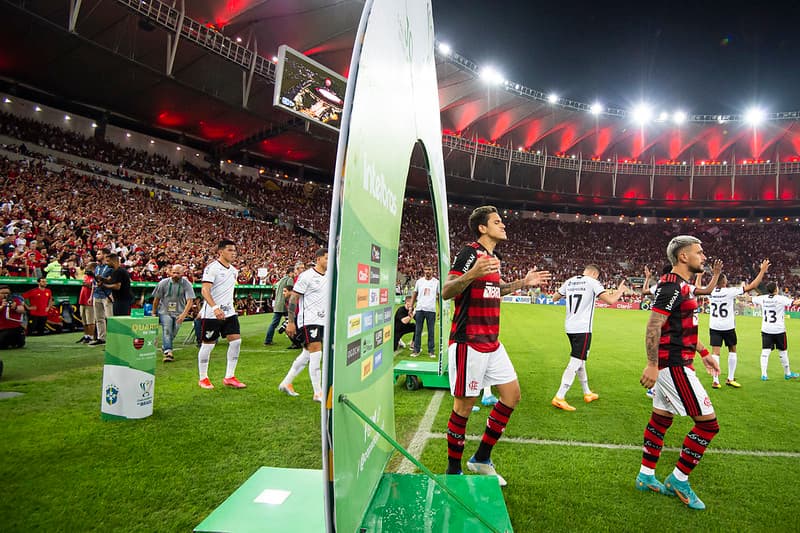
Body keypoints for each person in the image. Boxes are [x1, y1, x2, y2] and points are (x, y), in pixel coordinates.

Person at [442, 206, 551, 486]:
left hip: (492, 342)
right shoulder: (469, 253)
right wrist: (471, 274)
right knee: (463, 408)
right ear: (482, 228)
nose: (503, 225)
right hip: (469, 341)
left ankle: (481, 458)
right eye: (497, 222)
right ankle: (453, 471)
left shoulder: (493, 258)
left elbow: (497, 289)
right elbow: (447, 291)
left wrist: (523, 282)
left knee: (512, 395)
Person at [636, 235, 721, 511]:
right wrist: (652, 364)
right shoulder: (671, 286)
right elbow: (654, 324)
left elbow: (682, 327)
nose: (704, 256)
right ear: (683, 256)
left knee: (661, 420)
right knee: (708, 425)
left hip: (676, 361)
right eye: (699, 252)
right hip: (673, 365)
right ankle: (678, 480)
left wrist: (704, 353)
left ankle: (646, 476)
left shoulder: (683, 286)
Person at [550, 265, 627, 411]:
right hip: (583, 328)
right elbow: (610, 301)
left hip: (570, 327)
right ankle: (559, 396)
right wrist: (620, 291)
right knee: (576, 361)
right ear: (594, 274)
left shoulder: (570, 281)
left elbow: (554, 297)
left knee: (581, 360)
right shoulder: (592, 282)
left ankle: (587, 392)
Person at [706, 259, 770, 388]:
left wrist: (701, 276)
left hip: (714, 326)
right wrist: (762, 271)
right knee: (732, 350)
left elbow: (698, 286)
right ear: (724, 282)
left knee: (715, 353)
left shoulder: (709, 292)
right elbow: (753, 285)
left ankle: (715, 380)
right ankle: (730, 378)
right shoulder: (730, 291)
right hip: (728, 327)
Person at [278, 248, 329, 402]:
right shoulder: (306, 276)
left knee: (307, 354)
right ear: (318, 259)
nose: (329, 261)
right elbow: (294, 298)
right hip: (309, 320)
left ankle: (286, 383)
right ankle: (318, 393)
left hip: (323, 320)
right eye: (326, 258)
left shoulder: (330, 275)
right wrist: (291, 322)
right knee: (316, 354)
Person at [197, 239, 246, 389]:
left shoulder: (234, 270)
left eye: (235, 250)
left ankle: (230, 376)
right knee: (208, 345)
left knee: (236, 341)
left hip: (229, 312)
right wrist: (215, 308)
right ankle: (203, 378)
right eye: (230, 250)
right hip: (212, 314)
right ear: (220, 252)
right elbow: (205, 290)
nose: (233, 253)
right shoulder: (212, 268)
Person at [751, 281, 800, 381]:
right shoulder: (781, 299)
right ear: (775, 289)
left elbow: (750, 299)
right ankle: (787, 373)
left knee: (765, 352)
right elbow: (795, 303)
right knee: (783, 352)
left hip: (766, 329)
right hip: (779, 330)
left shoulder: (763, 298)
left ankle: (764, 375)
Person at [151, 264, 195, 362]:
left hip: (179, 312)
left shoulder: (186, 284)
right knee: (167, 330)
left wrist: (184, 314)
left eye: (178, 273)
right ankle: (168, 352)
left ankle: (165, 345)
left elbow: (190, 300)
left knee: (174, 332)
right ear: (170, 272)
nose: (175, 275)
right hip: (165, 311)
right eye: (173, 272)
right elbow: (156, 299)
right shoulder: (163, 283)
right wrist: (153, 312)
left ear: (182, 273)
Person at [410, 266, 439, 357]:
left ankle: (431, 351)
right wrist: (411, 306)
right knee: (418, 331)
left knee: (431, 331)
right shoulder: (419, 281)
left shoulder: (436, 282)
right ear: (424, 270)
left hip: (431, 310)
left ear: (432, 270)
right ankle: (416, 350)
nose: (427, 271)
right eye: (426, 269)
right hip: (419, 309)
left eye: (429, 269)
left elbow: (439, 296)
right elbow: (415, 294)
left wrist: (439, 309)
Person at [264, 266, 294, 345]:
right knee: (291, 320)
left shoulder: (281, 279)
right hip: (284, 304)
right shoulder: (289, 279)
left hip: (278, 303)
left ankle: (268, 340)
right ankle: (293, 339)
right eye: (294, 272)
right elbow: (290, 291)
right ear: (291, 272)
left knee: (274, 323)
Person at [89, 248, 113, 346]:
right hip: (97, 294)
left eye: (99, 254)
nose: (97, 255)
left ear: (105, 255)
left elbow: (112, 280)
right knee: (98, 318)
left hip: (106, 294)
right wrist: (91, 296)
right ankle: (101, 338)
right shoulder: (97, 267)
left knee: (109, 318)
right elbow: (94, 283)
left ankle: (112, 338)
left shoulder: (110, 267)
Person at [0, 285, 26, 349]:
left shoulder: (15, 300)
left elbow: (22, 310)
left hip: (13, 328)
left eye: (7, 293)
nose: (5, 295)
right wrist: (2, 306)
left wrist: (15, 307)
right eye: (2, 293)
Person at [76, 263, 96, 343]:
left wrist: (89, 285)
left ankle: (91, 336)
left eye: (89, 267)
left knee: (90, 320)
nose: (87, 269)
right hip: (82, 300)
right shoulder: (86, 276)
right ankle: (86, 336)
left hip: (89, 301)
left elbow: (95, 288)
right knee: (84, 320)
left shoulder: (95, 278)